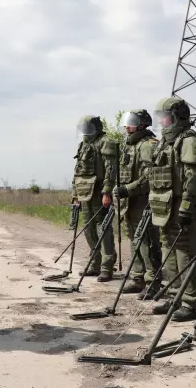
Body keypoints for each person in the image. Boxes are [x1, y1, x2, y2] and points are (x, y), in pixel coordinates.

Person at [147, 97, 196, 322]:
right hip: (165, 210)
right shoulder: (165, 144)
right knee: (169, 253)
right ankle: (175, 296)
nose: (162, 122)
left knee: (186, 254)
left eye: (165, 118)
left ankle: (191, 302)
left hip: (183, 209)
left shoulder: (188, 142)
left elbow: (194, 179)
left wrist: (186, 206)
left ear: (177, 118)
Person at [113, 110, 162, 299]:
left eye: (131, 123)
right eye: (126, 123)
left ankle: (153, 282)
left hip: (144, 200)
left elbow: (151, 176)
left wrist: (128, 189)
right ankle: (138, 278)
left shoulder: (148, 146)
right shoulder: (130, 145)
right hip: (130, 201)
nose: (127, 126)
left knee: (147, 241)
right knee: (135, 239)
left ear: (142, 125)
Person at [71, 115, 118, 282]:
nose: (86, 132)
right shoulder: (83, 145)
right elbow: (78, 171)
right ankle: (94, 264)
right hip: (85, 193)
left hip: (99, 192)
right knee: (88, 228)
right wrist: (75, 195)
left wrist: (107, 192)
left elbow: (110, 169)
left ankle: (107, 266)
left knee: (103, 228)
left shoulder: (106, 142)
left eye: (88, 128)